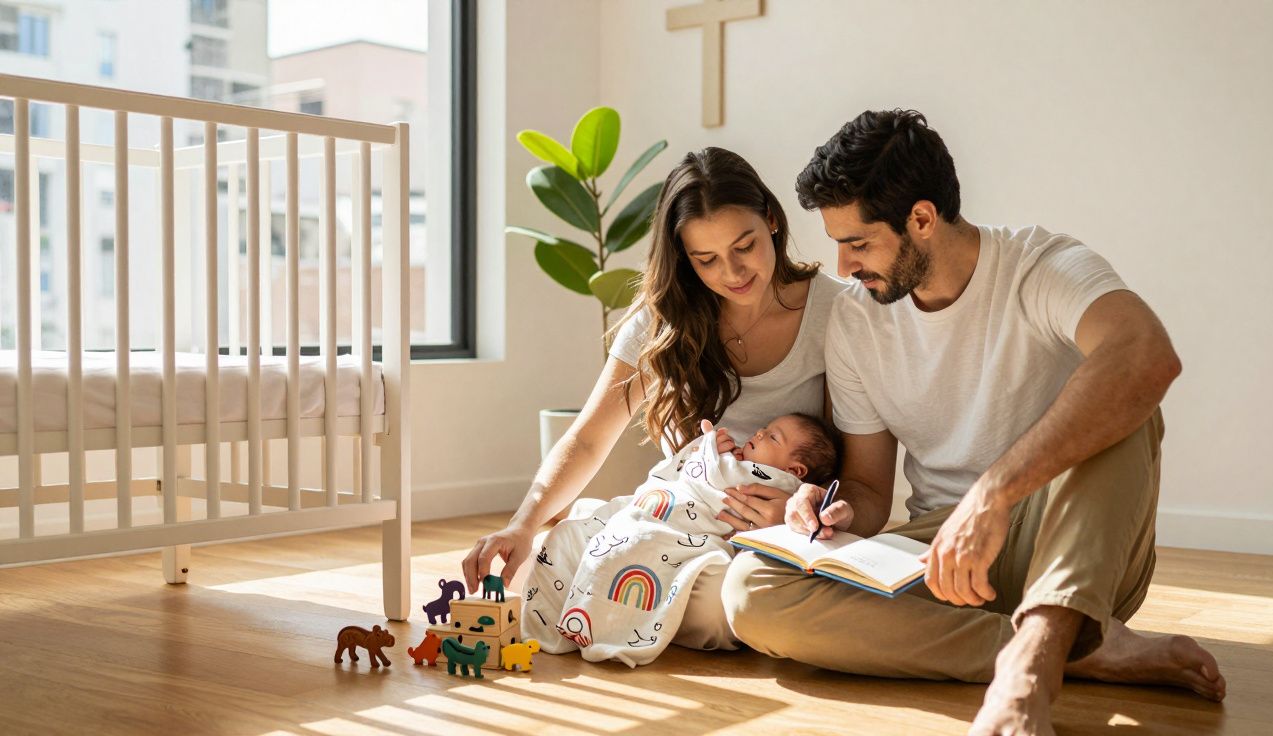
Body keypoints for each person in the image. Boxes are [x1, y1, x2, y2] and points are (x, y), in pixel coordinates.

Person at [721, 110, 1225, 736]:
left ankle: (1032, 670)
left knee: (1127, 399)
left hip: (1069, 541)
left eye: (858, 242)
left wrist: (994, 494)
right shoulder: (856, 320)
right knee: (752, 591)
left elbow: (1148, 354)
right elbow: (873, 491)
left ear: (922, 220)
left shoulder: (1040, 267)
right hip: (943, 557)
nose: (844, 267)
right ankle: (1079, 651)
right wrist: (825, 507)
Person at [462, 146, 848, 651]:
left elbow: (856, 469)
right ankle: (626, 594)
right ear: (683, 258)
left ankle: (625, 601)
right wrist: (522, 525)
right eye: (705, 260)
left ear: (772, 220)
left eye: (744, 246)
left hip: (772, 531)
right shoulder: (664, 318)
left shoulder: (836, 309)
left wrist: (802, 511)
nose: (732, 272)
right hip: (673, 523)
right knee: (558, 549)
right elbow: (588, 439)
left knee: (721, 604)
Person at [522, 414, 839, 667]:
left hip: (690, 536)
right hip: (664, 508)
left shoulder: (776, 481)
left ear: (794, 469)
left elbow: (715, 478)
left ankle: (598, 616)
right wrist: (705, 449)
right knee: (569, 534)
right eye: (764, 429)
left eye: (771, 437)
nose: (758, 434)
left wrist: (709, 451)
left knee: (636, 545)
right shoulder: (742, 462)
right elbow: (688, 475)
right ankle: (598, 610)